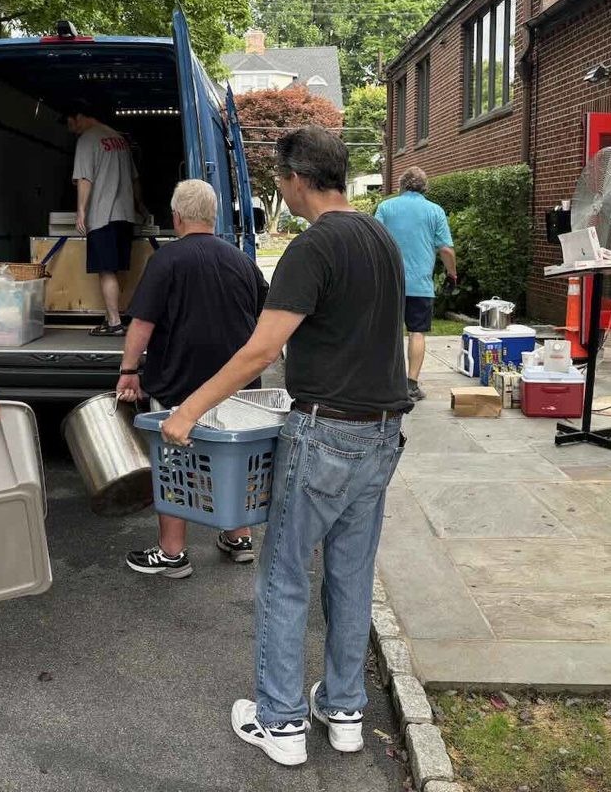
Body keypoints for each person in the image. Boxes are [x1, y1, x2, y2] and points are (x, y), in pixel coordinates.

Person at [160, 127, 410, 767]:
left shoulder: (312, 246)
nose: (279, 189)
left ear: (298, 178)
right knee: (350, 576)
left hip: (326, 432)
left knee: (285, 576)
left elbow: (262, 350)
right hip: (382, 433)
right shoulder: (380, 237)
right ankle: (345, 710)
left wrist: (189, 410)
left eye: (279, 179)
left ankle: (280, 721)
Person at [116, 180, 270, 579]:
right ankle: (238, 536)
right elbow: (266, 315)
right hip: (237, 385)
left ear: (177, 217)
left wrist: (129, 371)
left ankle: (172, 553)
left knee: (173, 463)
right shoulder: (240, 260)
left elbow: (143, 324)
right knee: (234, 460)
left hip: (177, 382)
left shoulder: (166, 260)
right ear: (214, 216)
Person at [374, 166, 456, 402]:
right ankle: (411, 385)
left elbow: (374, 239)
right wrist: (452, 274)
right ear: (425, 187)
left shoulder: (386, 207)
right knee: (416, 332)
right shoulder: (434, 211)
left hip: (389, 283)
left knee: (388, 332)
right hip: (420, 284)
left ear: (401, 186)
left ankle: (385, 382)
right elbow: (446, 249)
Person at [66, 100, 146, 336]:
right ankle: (111, 316)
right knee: (117, 269)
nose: (71, 129)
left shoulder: (88, 139)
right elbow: (134, 179)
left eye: (70, 123)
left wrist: (81, 210)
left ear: (79, 116)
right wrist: (139, 206)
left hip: (103, 215)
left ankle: (114, 323)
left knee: (106, 270)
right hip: (124, 216)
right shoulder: (119, 139)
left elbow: (84, 178)